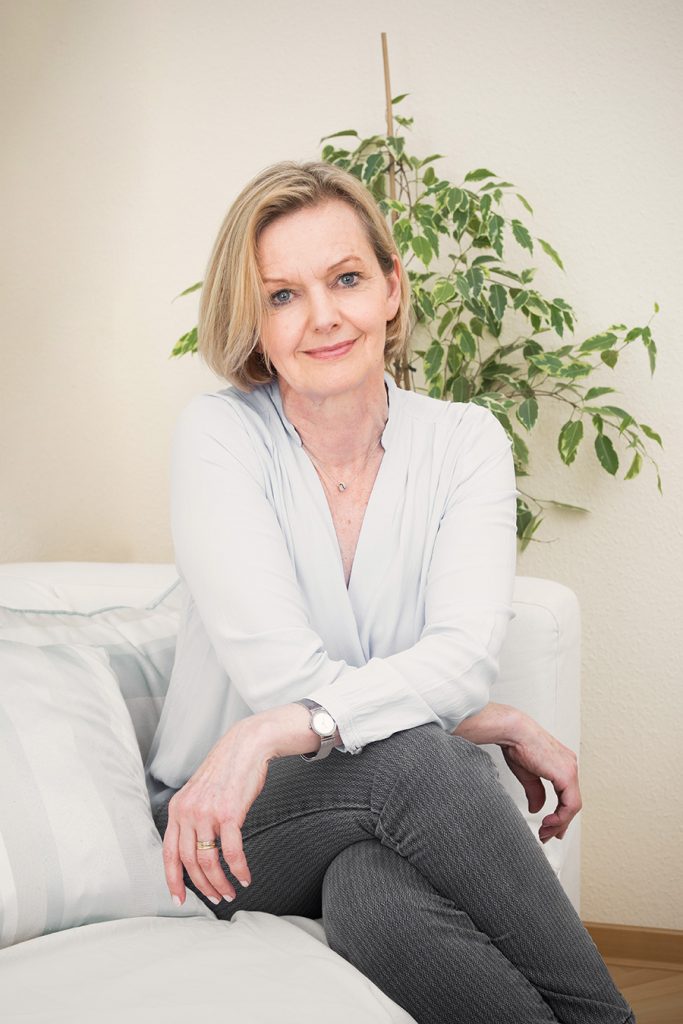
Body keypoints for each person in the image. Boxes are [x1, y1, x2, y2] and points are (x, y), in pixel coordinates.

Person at [146, 160, 635, 1024]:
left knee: (372, 897)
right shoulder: (218, 436)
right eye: (283, 295)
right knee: (416, 758)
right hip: (228, 827)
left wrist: (280, 727)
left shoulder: (464, 440)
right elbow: (284, 682)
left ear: (391, 288)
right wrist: (484, 718)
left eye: (345, 279)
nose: (323, 316)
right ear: (253, 320)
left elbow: (460, 656)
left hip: (370, 820)